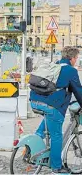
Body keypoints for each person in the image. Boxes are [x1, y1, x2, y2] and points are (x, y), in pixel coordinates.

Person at [30, 46, 82, 174]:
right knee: (56, 136)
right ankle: (57, 167)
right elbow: (79, 92)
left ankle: (31, 144)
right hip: (52, 106)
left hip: (35, 102)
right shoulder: (71, 71)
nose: (76, 60)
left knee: (46, 124)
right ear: (72, 58)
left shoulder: (55, 65)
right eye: (76, 58)